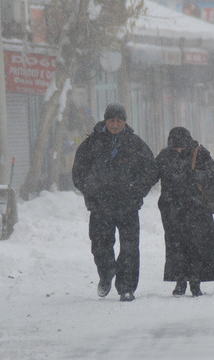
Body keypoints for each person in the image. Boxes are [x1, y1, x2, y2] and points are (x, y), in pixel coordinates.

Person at [72, 103, 158, 302]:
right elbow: (78, 173)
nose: (115, 124)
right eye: (111, 120)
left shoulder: (135, 144)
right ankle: (106, 274)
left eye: (119, 120)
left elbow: (151, 170)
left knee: (129, 248)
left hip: (127, 205)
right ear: (105, 120)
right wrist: (91, 191)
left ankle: (126, 287)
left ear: (125, 122)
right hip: (100, 206)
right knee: (100, 245)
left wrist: (137, 191)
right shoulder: (92, 144)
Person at [155, 127, 214, 296]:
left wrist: (199, 175)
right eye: (175, 148)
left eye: (182, 147)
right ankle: (179, 281)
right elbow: (151, 175)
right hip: (172, 209)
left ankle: (195, 281)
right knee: (175, 246)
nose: (179, 150)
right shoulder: (165, 156)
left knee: (196, 245)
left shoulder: (199, 153)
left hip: (196, 208)